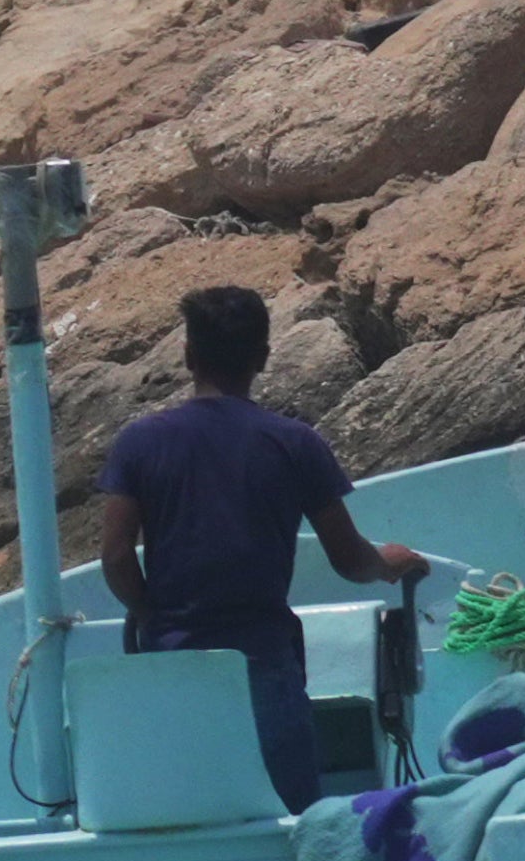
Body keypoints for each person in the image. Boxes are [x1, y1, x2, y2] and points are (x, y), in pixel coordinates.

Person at [84, 285, 430, 810]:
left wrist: (147, 611)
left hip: (174, 665)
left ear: (188, 356)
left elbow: (114, 557)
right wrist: (391, 565)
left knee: (185, 810)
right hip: (263, 660)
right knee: (292, 822)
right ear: (263, 358)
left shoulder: (140, 441)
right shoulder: (294, 443)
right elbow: (349, 559)